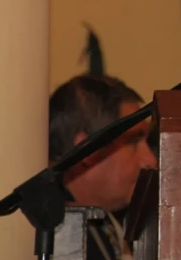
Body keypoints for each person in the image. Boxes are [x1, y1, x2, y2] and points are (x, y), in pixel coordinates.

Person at [49, 74, 157, 260]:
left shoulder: (104, 219)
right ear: (87, 151)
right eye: (133, 141)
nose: (150, 160)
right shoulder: (52, 234)